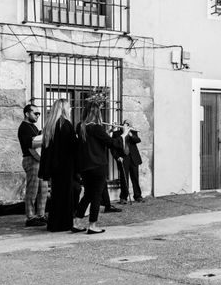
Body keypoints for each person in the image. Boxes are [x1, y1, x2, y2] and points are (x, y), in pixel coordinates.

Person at [74, 101, 127, 234]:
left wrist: (109, 131)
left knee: (87, 195)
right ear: (97, 113)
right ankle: (92, 225)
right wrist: (124, 134)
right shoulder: (96, 128)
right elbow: (113, 143)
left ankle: (76, 222)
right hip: (98, 166)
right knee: (96, 196)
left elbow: (94, 140)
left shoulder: (80, 127)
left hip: (85, 167)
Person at [38, 99, 81, 232]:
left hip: (54, 166)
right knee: (66, 195)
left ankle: (54, 224)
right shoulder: (65, 124)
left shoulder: (50, 125)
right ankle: (64, 224)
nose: (71, 109)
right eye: (69, 107)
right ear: (63, 109)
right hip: (65, 165)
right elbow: (73, 146)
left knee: (57, 195)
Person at [18, 104, 47, 227]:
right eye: (36, 113)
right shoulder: (24, 127)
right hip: (31, 160)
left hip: (38, 160)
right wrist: (44, 137)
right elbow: (31, 143)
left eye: (39, 114)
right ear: (27, 113)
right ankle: (30, 217)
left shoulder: (33, 127)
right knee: (32, 190)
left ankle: (40, 215)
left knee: (43, 189)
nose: (38, 116)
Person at [112, 120, 144, 203]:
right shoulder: (116, 134)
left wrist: (130, 134)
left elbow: (138, 140)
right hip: (123, 158)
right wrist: (117, 157)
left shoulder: (133, 132)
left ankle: (138, 196)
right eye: (126, 124)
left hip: (133, 158)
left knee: (135, 178)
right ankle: (123, 197)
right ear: (122, 125)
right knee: (124, 178)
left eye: (129, 125)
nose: (127, 126)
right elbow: (113, 148)